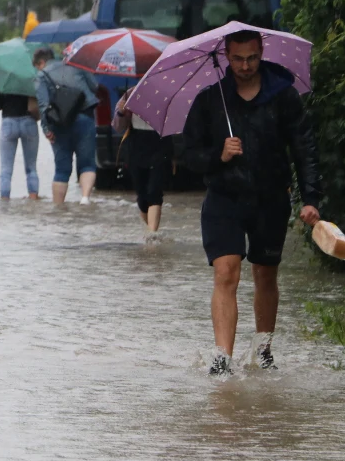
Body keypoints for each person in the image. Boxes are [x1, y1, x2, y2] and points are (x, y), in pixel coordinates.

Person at [182, 30, 322, 376]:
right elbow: (187, 156)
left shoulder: (284, 97)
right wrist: (219, 155)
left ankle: (263, 349)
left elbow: (304, 149)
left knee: (265, 274)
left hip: (271, 198)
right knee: (226, 272)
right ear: (226, 56)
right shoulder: (210, 100)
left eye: (252, 58)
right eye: (238, 58)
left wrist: (311, 198)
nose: (245, 66)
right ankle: (222, 358)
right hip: (223, 199)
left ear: (262, 53)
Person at [33, 47, 99, 204]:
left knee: (62, 169)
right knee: (87, 164)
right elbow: (94, 86)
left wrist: (46, 129)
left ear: (41, 62)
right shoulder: (77, 65)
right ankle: (85, 198)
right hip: (85, 118)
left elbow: (43, 106)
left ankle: (58, 207)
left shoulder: (42, 76)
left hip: (60, 123)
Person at [114, 87, 174, 237]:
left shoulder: (168, 93)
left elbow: (177, 121)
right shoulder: (129, 94)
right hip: (136, 146)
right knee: (142, 195)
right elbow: (117, 126)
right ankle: (151, 232)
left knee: (154, 191)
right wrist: (122, 112)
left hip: (160, 145)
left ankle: (152, 235)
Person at [0, 86, 39, 200]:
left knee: (6, 169)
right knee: (31, 167)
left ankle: (4, 200)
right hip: (29, 121)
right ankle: (33, 198)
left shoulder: (1, 78)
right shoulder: (30, 76)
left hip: (8, 122)